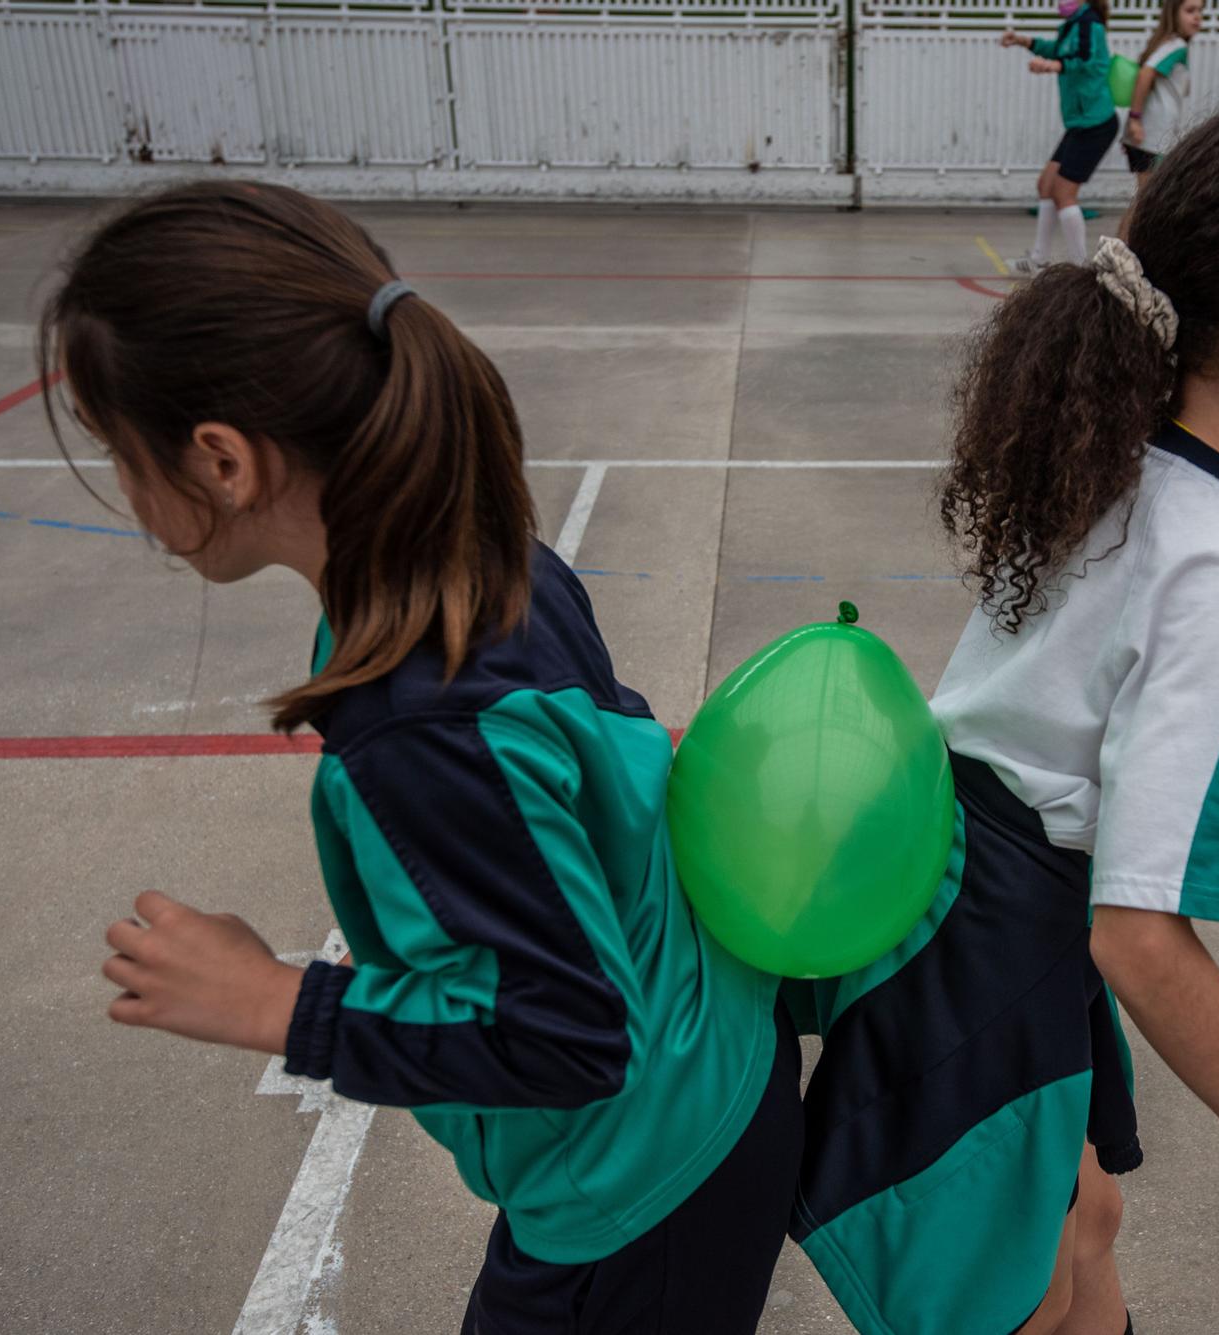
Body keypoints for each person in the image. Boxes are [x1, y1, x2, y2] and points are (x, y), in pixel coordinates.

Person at [47, 181, 798, 1335]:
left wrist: (278, 1004)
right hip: (698, 1087)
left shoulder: (418, 720)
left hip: (638, 1175)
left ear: (220, 461)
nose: (129, 500)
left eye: (117, 452)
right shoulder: (477, 552)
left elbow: (562, 1034)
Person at [792, 97, 1219, 1335]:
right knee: (1007, 1295)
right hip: (990, 948)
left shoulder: (1113, 460)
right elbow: (1136, 937)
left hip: (939, 889)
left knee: (1083, 1222)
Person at [1001, 0, 1117, 273]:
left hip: (1095, 123)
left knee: (1064, 194)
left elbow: (1089, 60)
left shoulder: (1091, 25)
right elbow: (1057, 51)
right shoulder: (1072, 25)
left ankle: (1081, 272)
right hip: (1079, 123)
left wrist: (1054, 67)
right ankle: (1039, 260)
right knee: (1046, 185)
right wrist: (1023, 41)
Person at [1118, 0, 1202, 237]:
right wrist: (1134, 119)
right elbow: (1145, 75)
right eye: (1190, 11)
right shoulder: (1175, 46)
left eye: (1199, 11)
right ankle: (1117, 253)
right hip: (1152, 137)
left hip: (1148, 137)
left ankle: (1122, 251)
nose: (1197, 17)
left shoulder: (1166, 45)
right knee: (1144, 202)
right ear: (1172, 14)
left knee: (1145, 200)